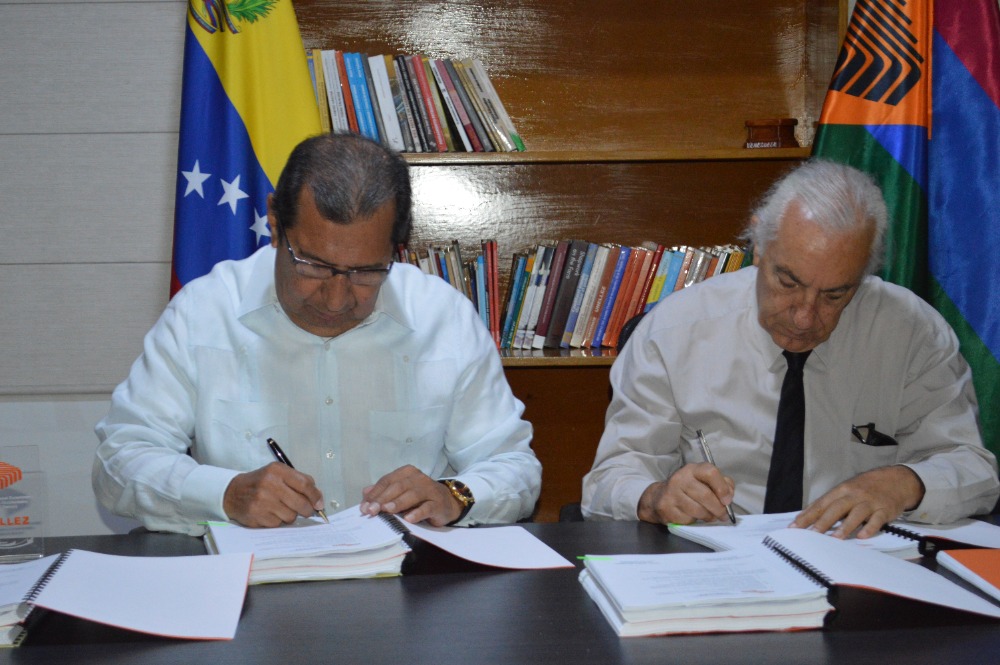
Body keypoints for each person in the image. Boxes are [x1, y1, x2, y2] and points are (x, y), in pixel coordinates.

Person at [93, 133, 541, 536]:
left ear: (396, 248)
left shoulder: (443, 318)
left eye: (366, 272)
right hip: (252, 583)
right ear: (275, 224)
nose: (336, 299)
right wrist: (224, 494)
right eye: (314, 266)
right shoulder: (204, 312)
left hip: (407, 580)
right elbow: (119, 464)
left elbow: (514, 466)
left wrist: (454, 496)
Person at [581, 159, 999, 538]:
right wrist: (655, 497)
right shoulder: (673, 332)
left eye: (835, 295)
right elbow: (608, 481)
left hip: (858, 560)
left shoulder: (912, 333)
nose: (804, 317)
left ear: (866, 274)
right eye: (788, 282)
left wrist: (905, 483)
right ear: (759, 245)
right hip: (716, 561)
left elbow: (974, 469)